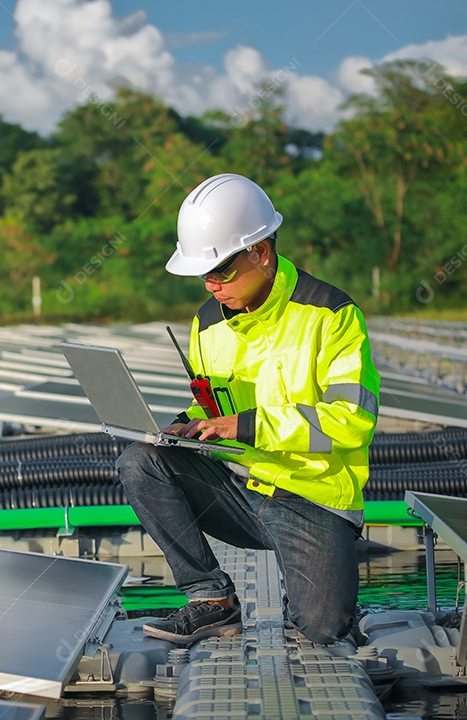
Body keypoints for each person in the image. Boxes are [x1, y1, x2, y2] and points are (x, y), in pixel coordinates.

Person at [117, 173, 380, 645]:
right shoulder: (206, 323)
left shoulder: (332, 315)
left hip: (312, 498)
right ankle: (211, 601)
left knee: (323, 628)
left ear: (260, 251)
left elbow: (350, 421)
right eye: (204, 274)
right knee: (141, 461)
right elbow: (213, 404)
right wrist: (187, 425)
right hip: (239, 490)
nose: (211, 285)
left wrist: (244, 426)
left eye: (220, 271)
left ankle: (319, 584)